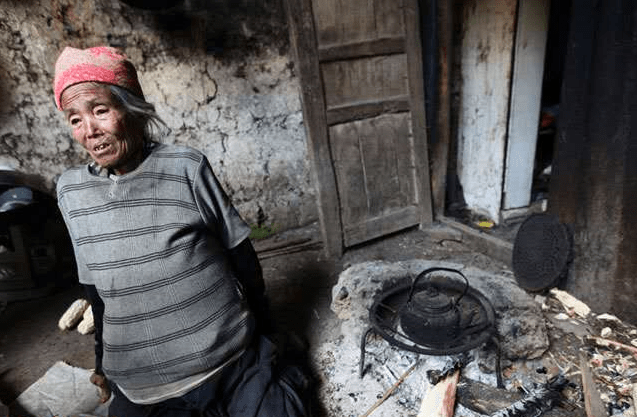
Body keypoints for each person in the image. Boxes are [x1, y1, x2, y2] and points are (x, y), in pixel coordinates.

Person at [52, 46, 310, 417]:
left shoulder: (185, 168)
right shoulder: (71, 192)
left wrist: (266, 331)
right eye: (75, 120)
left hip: (230, 361)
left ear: (133, 110)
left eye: (100, 111)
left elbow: (242, 258)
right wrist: (101, 364)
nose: (89, 131)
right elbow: (95, 291)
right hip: (146, 389)